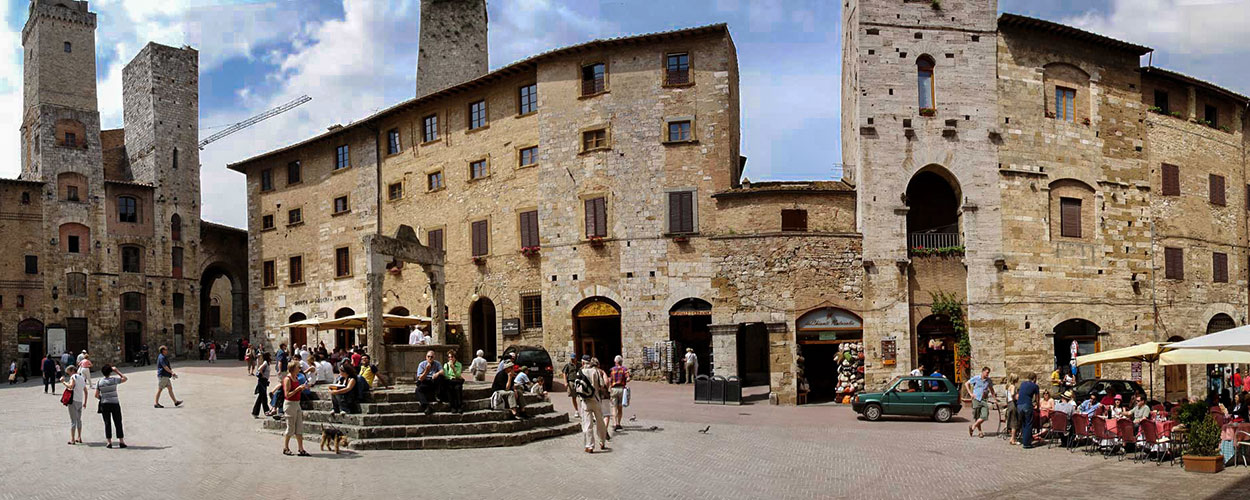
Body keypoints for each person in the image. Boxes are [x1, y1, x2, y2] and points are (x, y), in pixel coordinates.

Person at [579, 356, 609, 453]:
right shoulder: (595, 371)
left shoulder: (580, 372)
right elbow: (602, 385)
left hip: (585, 401)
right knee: (600, 422)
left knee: (587, 424)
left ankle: (590, 446)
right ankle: (602, 441)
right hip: (596, 399)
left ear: (583, 363)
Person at [94, 364, 128, 448]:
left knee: (107, 422)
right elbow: (125, 378)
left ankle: (109, 442)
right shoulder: (113, 380)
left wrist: (102, 398)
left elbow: (96, 395)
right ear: (110, 372)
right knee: (118, 422)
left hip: (104, 403)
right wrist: (117, 371)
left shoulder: (99, 381)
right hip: (114, 403)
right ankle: (121, 441)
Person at [281, 362, 311, 456]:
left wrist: (302, 388)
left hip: (297, 403)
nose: (300, 369)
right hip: (290, 404)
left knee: (299, 428)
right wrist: (298, 389)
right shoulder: (288, 379)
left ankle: (301, 449)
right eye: (298, 367)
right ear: (293, 369)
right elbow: (287, 395)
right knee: (290, 427)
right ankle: (286, 448)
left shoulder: (296, 377)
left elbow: (296, 390)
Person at [964, 366, 996, 438]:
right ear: (983, 372)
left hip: (984, 400)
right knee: (977, 416)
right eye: (987, 372)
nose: (988, 374)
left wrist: (995, 399)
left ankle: (973, 426)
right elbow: (966, 384)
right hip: (976, 399)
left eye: (988, 373)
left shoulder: (988, 380)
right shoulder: (976, 378)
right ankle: (980, 432)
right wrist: (970, 393)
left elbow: (992, 389)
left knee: (985, 415)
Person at [63, 365, 87, 445]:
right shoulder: (82, 378)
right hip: (80, 400)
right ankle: (79, 437)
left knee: (73, 421)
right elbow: (85, 391)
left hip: (73, 400)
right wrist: (85, 402)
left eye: (69, 373)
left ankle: (73, 439)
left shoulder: (73, 377)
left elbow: (71, 386)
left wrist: (63, 382)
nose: (69, 374)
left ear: (72, 371)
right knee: (78, 420)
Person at [415, 350, 443, 415]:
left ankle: (438, 395)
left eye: (431, 357)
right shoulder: (422, 364)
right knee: (418, 390)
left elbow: (442, 371)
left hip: (433, 382)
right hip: (425, 381)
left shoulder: (437, 363)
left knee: (440, 377)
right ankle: (426, 405)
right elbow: (420, 378)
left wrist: (437, 373)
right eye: (428, 356)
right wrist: (426, 371)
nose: (430, 358)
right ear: (426, 357)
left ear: (434, 357)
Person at [1016, 372, 1040, 448]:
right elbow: (1037, 398)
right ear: (1035, 378)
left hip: (1019, 405)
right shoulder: (1035, 386)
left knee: (1023, 423)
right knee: (1028, 424)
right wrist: (1038, 406)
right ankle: (1027, 444)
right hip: (1027, 404)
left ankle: (1025, 440)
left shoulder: (1023, 384)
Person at [608, 355, 631, 431]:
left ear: (615, 362)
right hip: (621, 389)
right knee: (620, 408)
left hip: (614, 389)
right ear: (621, 362)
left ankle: (614, 423)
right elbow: (628, 378)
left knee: (614, 407)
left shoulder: (612, 370)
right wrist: (624, 380)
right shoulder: (624, 369)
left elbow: (609, 380)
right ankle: (618, 423)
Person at [252, 352, 273, 418]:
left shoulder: (267, 363)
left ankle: (265, 411)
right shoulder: (265, 363)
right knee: (262, 396)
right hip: (262, 381)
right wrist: (263, 375)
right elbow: (259, 369)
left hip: (264, 381)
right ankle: (257, 412)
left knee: (263, 397)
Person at [562, 353, 582, 418]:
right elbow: (564, 373)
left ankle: (583, 410)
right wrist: (565, 382)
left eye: (574, 358)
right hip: (571, 381)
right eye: (572, 359)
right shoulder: (568, 365)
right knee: (574, 397)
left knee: (582, 397)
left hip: (579, 381)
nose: (573, 360)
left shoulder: (579, 364)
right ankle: (576, 410)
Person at [1004, 373, 1019, 445]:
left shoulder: (1007, 386)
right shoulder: (1013, 386)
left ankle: (1012, 438)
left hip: (1009, 404)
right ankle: (1013, 439)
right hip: (1013, 404)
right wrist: (1015, 398)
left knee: (1012, 421)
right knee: (1014, 422)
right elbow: (1013, 394)